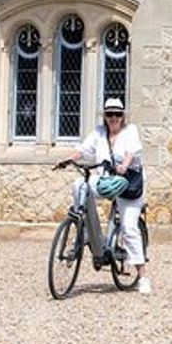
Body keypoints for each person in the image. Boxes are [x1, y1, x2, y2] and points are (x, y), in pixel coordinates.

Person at [57, 97, 151, 294]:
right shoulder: (99, 133)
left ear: (123, 116)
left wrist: (125, 165)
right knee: (79, 185)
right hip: (107, 180)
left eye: (117, 114)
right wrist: (67, 160)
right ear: (105, 116)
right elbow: (83, 150)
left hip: (128, 183)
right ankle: (87, 231)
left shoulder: (130, 131)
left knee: (128, 227)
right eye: (109, 114)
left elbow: (132, 150)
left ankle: (142, 276)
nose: (113, 118)